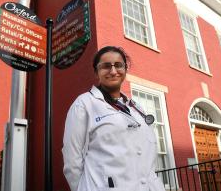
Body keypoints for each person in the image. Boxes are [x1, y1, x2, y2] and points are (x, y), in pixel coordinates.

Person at [62, 46, 165, 191]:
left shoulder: (137, 108)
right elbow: (72, 160)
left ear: (125, 69)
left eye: (118, 65)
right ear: (96, 72)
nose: (113, 71)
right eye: (105, 66)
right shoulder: (84, 104)